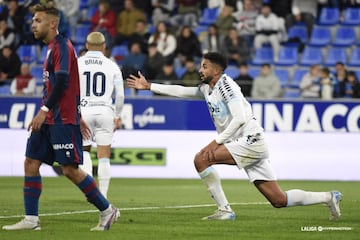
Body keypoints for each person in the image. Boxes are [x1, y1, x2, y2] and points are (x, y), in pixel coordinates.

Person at [127, 51, 342, 221]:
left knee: (201, 158)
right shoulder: (206, 88)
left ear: (217, 70)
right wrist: (149, 86)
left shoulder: (227, 86)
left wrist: (216, 141)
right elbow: (183, 91)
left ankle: (224, 210)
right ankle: (328, 197)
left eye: (205, 66)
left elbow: (239, 118)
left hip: (250, 140)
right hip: (245, 143)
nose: (200, 70)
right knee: (278, 199)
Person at [2, 4, 119, 231]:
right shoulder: (51, 48)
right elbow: (67, 85)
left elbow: (64, 82)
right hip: (53, 118)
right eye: (33, 20)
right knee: (30, 162)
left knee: (70, 170)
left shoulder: (62, 47)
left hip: (60, 119)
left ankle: (107, 210)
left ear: (52, 23)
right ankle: (31, 219)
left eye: (38, 20)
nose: (33, 24)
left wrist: (45, 110)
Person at [78, 31, 124, 198]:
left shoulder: (78, 63)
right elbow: (120, 95)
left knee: (84, 151)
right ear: (104, 47)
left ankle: (90, 193)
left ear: (87, 45)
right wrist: (117, 115)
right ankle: (103, 195)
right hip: (105, 111)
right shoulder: (112, 65)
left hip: (84, 112)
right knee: (104, 156)